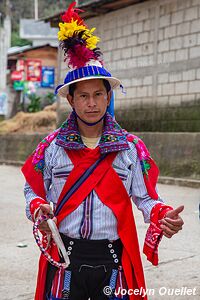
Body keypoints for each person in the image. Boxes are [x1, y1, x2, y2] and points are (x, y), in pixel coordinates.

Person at [22, 2, 184, 300]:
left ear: (108, 97)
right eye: (83, 96)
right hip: (65, 259)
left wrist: (162, 216)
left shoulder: (131, 148)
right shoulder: (52, 147)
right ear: (71, 100)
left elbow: (146, 198)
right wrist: (37, 209)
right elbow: (31, 192)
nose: (92, 103)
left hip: (114, 262)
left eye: (98, 94)